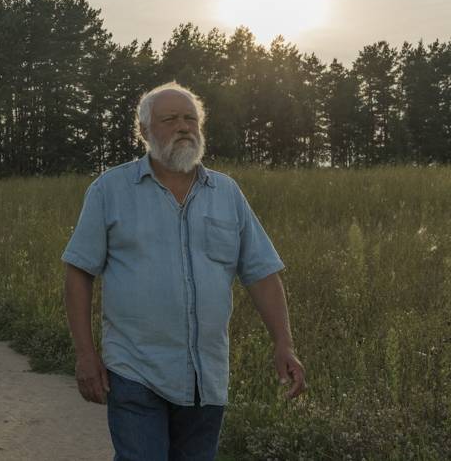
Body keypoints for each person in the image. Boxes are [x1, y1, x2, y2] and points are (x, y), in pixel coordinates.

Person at [62, 82, 306, 460]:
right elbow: (78, 272)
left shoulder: (226, 194)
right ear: (143, 132)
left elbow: (261, 273)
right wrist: (85, 354)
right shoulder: (110, 190)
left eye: (190, 119)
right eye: (170, 119)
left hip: (205, 377)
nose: (183, 127)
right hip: (135, 369)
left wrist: (283, 342)